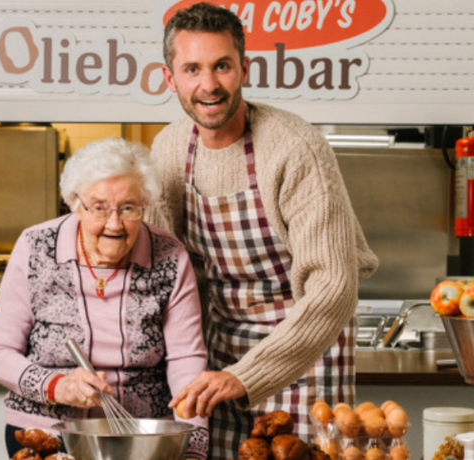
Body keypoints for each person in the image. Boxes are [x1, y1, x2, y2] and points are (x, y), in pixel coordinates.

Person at [147, 3, 379, 458]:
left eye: (222, 66)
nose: (208, 84)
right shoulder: (169, 147)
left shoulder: (294, 147)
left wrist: (248, 375)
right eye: (192, 68)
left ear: (244, 69)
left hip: (308, 348)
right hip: (219, 352)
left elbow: (333, 287)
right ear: (169, 78)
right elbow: (165, 273)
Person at [0, 138, 209, 459]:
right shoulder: (35, 247)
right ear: (75, 203)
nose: (114, 223)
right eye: (99, 207)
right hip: (44, 433)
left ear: (145, 205)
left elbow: (186, 361)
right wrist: (58, 386)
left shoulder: (170, 255)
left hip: (142, 437)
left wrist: (193, 449)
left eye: (129, 208)